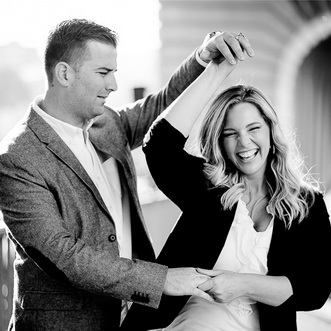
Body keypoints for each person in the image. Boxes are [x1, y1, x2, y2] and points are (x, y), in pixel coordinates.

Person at [0, 19, 254, 330]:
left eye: (114, 73)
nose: (114, 85)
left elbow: (162, 105)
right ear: (64, 73)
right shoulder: (16, 158)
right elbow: (63, 255)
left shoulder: (106, 122)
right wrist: (163, 280)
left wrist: (204, 58)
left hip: (131, 317)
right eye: (104, 73)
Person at [121, 48, 331, 330]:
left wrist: (241, 284)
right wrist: (216, 71)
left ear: (271, 130)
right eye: (230, 134)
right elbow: (159, 145)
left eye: (253, 128)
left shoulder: (306, 203)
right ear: (219, 142)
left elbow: (314, 291)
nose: (244, 144)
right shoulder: (208, 190)